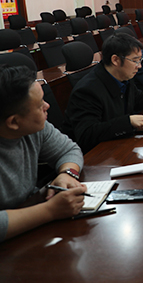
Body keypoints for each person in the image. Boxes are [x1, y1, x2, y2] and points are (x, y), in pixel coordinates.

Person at [0, 65, 86, 242]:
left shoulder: (35, 126)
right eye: (40, 105)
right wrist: (50, 211)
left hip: (30, 226)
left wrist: (67, 173)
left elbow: (69, 150)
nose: (47, 106)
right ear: (13, 122)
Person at [63, 33, 143, 154]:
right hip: (96, 155)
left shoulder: (123, 76)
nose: (139, 66)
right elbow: (87, 134)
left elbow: (137, 97)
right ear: (115, 60)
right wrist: (128, 122)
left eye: (140, 60)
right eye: (135, 61)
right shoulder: (87, 90)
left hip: (117, 145)